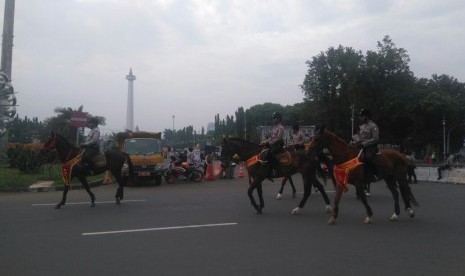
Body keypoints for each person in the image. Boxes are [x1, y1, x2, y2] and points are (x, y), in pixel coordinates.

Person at [351, 108, 379, 194]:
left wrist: (364, 143)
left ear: (366, 116)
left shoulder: (373, 126)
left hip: (371, 147)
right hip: (361, 146)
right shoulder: (361, 126)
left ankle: (373, 174)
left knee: (367, 157)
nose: (360, 118)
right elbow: (359, 137)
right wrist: (356, 140)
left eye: (362, 116)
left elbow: (375, 138)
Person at [261, 112, 285, 177]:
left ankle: (277, 170)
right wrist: (265, 141)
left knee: (271, 153)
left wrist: (269, 143)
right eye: (273, 118)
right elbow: (271, 137)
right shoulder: (275, 127)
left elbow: (278, 138)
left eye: (274, 118)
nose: (273, 120)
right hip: (273, 144)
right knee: (264, 151)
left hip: (278, 144)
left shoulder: (281, 128)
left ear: (278, 119)